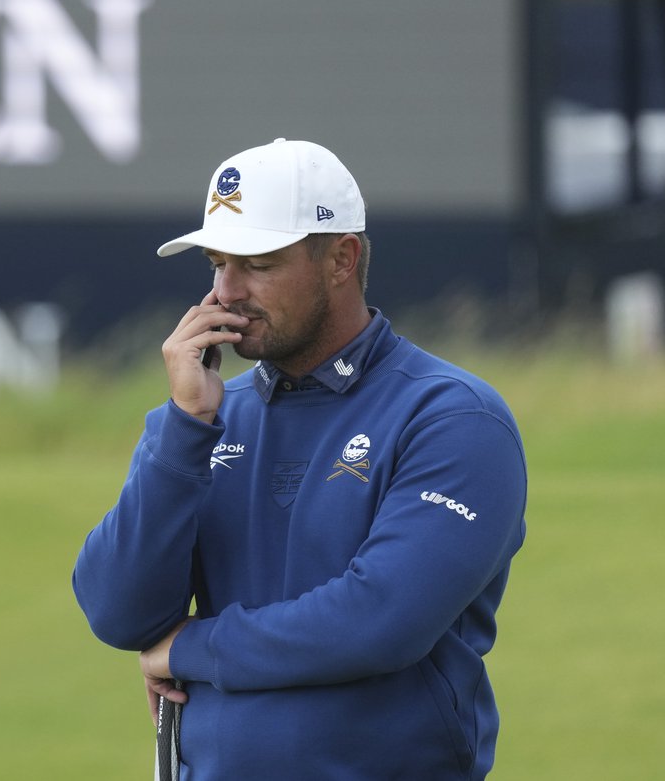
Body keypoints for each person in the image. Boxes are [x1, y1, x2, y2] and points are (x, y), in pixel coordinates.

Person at [72, 139, 527, 780]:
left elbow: (379, 619)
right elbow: (117, 610)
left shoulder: (453, 418)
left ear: (342, 258)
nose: (226, 292)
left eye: (257, 263)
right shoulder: (200, 419)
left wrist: (189, 650)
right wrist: (182, 429)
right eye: (216, 263)